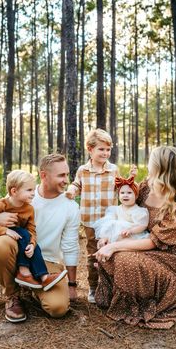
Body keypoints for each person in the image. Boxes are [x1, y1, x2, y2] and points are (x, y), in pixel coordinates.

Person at [94, 146, 176, 329]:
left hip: (167, 256)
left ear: (160, 167)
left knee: (123, 258)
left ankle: (144, 299)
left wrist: (115, 247)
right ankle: (125, 293)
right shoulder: (147, 187)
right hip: (139, 239)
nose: (147, 165)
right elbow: (129, 214)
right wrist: (110, 237)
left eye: (151, 161)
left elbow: (154, 241)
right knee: (110, 253)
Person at [0, 154, 80, 323]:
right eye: (61, 175)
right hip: (18, 257)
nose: (66, 180)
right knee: (1, 244)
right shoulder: (26, 194)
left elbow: (70, 246)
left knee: (58, 308)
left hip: (47, 262)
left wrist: (71, 285)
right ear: (43, 175)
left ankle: (32, 285)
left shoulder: (71, 207)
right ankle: (12, 295)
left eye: (67, 174)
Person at [0, 170, 68, 292]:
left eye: (33, 189)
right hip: (0, 236)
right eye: (29, 190)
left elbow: (31, 229)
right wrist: (5, 230)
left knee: (33, 243)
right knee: (24, 234)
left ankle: (44, 277)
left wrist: (32, 244)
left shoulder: (29, 209)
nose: (33, 193)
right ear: (14, 191)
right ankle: (24, 272)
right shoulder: (1, 205)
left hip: (21, 237)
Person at [65, 129, 119, 303]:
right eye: (101, 149)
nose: (105, 153)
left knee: (110, 253)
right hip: (89, 220)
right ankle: (94, 287)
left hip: (109, 221)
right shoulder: (83, 170)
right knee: (92, 253)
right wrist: (72, 189)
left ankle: (110, 286)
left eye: (108, 149)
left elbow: (122, 188)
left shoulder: (113, 170)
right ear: (90, 149)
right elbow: (76, 184)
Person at [93, 175, 149, 247]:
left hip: (132, 235)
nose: (125, 195)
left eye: (129, 193)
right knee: (110, 230)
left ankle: (117, 246)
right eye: (122, 193)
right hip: (117, 236)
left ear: (136, 196)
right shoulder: (115, 209)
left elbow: (142, 225)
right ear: (118, 195)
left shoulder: (138, 211)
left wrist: (131, 230)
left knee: (127, 242)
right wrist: (105, 236)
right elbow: (109, 224)